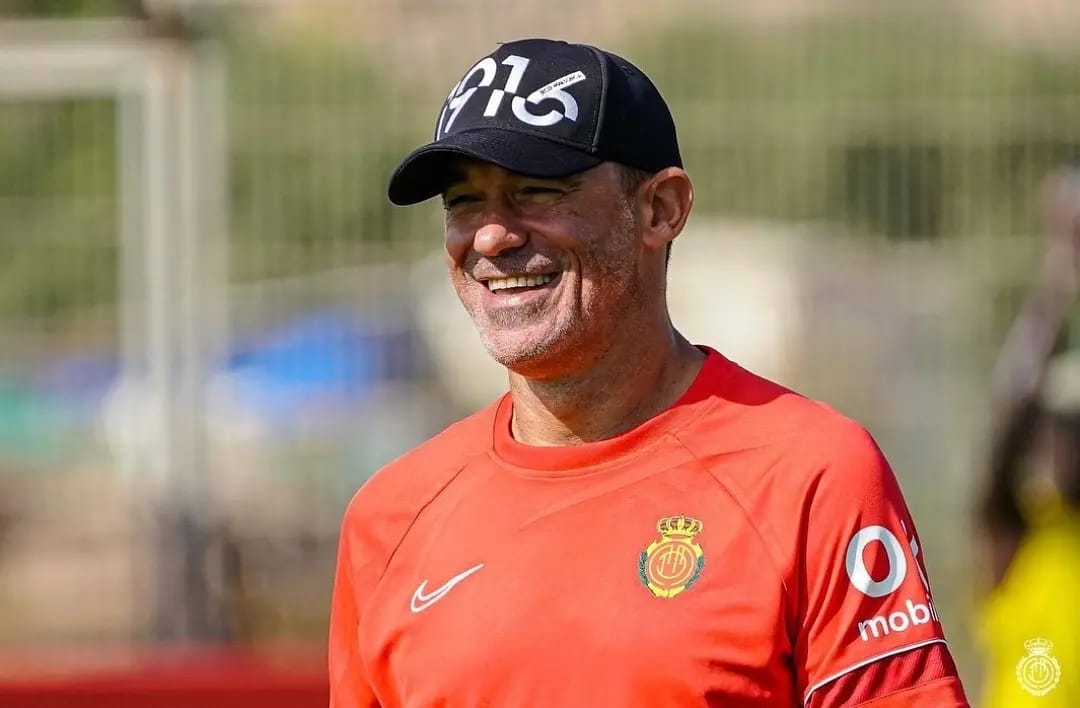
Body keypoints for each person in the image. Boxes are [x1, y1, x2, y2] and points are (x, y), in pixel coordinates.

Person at [328, 38, 969, 707]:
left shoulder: (812, 477)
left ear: (661, 209)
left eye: (537, 191)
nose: (491, 236)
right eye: (463, 202)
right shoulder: (389, 518)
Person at [977, 166, 1080, 706]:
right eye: (1048, 436)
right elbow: (1012, 410)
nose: (1055, 450)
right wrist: (1060, 275)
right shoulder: (1013, 542)